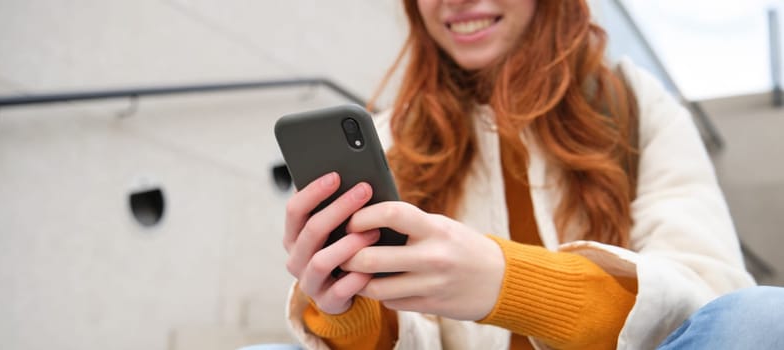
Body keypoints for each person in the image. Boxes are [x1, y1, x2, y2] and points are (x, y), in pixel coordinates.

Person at [281, 0, 783, 349]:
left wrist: (508, 283)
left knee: (764, 318)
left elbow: (707, 296)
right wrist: (348, 312)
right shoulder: (393, 136)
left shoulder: (635, 102)